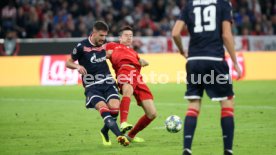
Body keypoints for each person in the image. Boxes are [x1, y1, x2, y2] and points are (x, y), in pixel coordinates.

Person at [172, 0, 242, 155]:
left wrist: (182, 51)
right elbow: (226, 34)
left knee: (194, 104)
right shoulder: (223, 4)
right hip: (215, 60)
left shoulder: (189, 5)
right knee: (227, 102)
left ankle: (187, 148)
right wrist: (235, 61)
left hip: (194, 61)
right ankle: (228, 150)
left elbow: (175, 33)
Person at [66, 21, 129, 146]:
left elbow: (113, 52)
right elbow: (68, 62)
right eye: (101, 35)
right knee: (103, 108)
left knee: (115, 109)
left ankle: (104, 131)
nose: (103, 39)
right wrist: (77, 66)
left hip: (108, 82)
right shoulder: (81, 46)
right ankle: (120, 136)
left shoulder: (104, 45)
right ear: (94, 33)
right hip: (92, 86)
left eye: (105, 36)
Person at [105, 26, 157, 142]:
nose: (129, 37)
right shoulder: (112, 45)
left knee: (152, 113)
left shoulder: (133, 52)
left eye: (131, 36)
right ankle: (123, 122)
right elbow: (106, 55)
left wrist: (142, 61)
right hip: (124, 70)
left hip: (137, 77)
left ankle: (131, 135)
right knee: (127, 91)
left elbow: (139, 62)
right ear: (120, 37)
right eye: (126, 35)